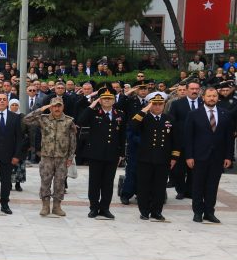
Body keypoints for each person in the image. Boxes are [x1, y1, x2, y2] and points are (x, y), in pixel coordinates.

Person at [183, 86, 235, 223]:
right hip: (199, 157)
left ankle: (209, 212)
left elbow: (229, 138)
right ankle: (198, 212)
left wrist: (228, 156)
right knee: (198, 185)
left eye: (214, 96)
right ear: (203, 97)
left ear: (217, 98)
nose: (212, 98)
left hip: (217, 157)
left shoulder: (225, 114)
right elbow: (188, 137)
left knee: (212, 186)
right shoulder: (194, 114)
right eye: (209, 96)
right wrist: (189, 156)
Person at [23, 96, 77, 217]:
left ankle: (57, 206)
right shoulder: (43, 119)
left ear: (63, 107)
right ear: (50, 107)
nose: (57, 108)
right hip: (46, 157)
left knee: (60, 182)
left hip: (62, 158)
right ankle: (45, 206)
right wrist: (41, 109)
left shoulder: (69, 121)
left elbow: (73, 141)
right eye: (54, 106)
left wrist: (70, 157)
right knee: (45, 181)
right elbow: (26, 119)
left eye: (59, 106)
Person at [77, 87, 126, 219]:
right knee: (94, 182)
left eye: (110, 98)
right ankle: (93, 207)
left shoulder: (120, 114)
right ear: (100, 100)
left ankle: (105, 208)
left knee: (108, 183)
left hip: (112, 153)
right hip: (95, 153)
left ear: (114, 100)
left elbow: (122, 135)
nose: (107, 100)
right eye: (104, 98)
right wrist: (93, 104)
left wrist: (122, 153)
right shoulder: (93, 113)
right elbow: (80, 121)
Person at [129, 91, 178, 222]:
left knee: (160, 187)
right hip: (145, 158)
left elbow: (176, 140)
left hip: (163, 159)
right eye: (154, 104)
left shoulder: (169, 119)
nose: (157, 107)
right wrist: (144, 109)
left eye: (160, 104)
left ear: (164, 105)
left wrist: (174, 157)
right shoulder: (144, 117)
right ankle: (144, 211)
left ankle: (157, 211)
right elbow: (133, 126)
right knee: (144, 186)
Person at [167, 80, 201, 199]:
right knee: (178, 170)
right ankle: (180, 190)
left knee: (194, 168)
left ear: (200, 90)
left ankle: (190, 190)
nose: (194, 91)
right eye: (192, 89)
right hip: (180, 142)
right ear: (186, 90)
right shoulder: (177, 104)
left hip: (198, 143)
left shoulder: (203, 103)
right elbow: (171, 121)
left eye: (196, 89)